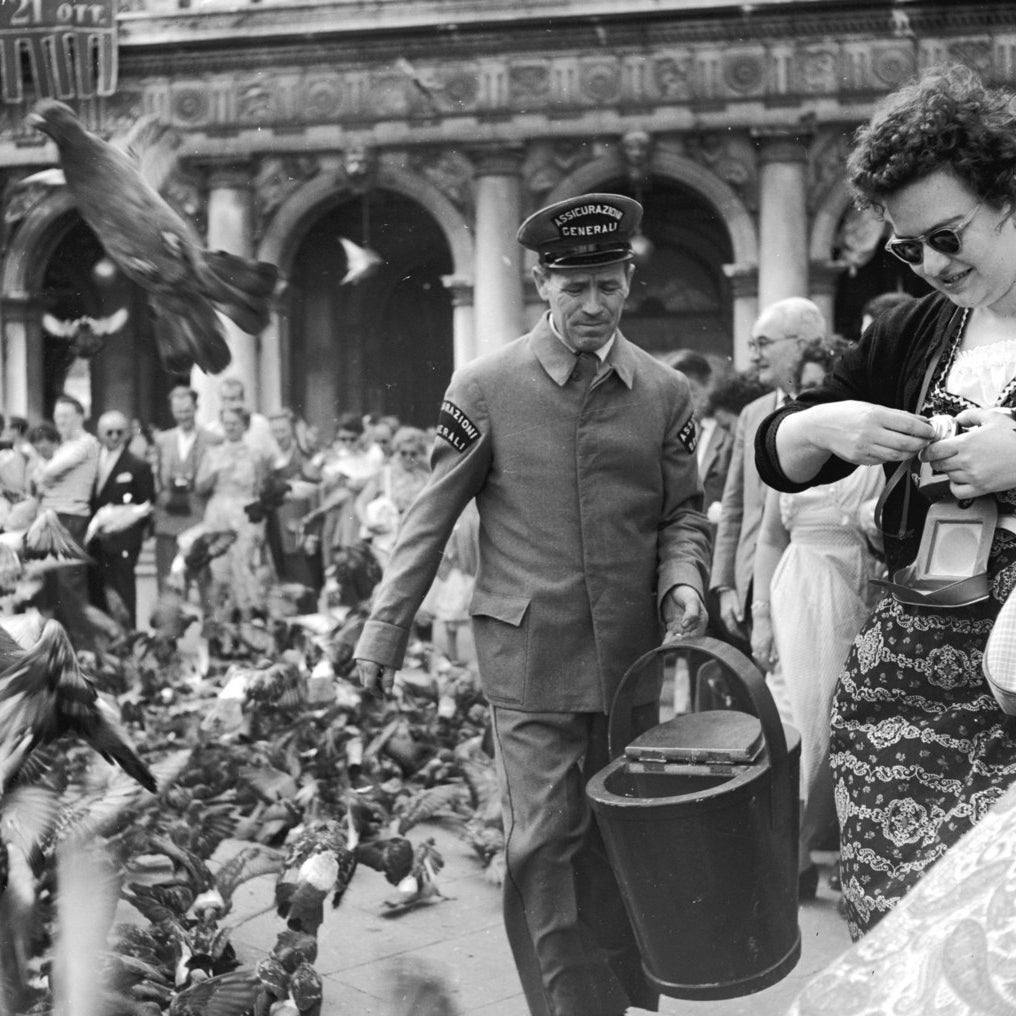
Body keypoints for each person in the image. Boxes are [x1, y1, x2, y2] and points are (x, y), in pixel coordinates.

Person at [354, 192, 711, 1016]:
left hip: (631, 662)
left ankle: (623, 998)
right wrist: (382, 635)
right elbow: (428, 519)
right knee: (546, 840)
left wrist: (682, 583)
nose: (592, 306)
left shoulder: (663, 393)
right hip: (530, 656)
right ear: (542, 283)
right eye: (574, 286)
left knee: (623, 836)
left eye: (610, 287)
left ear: (628, 282)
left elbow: (682, 514)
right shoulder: (484, 387)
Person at [754, 65, 1016, 939]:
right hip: (912, 691)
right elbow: (777, 454)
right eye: (909, 249)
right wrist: (829, 420)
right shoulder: (909, 329)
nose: (934, 265)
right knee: (915, 942)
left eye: (948, 235)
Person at [750, 343, 885, 900]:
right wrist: (760, 614)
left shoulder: (873, 454)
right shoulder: (791, 456)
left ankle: (837, 851)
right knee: (801, 717)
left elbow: (886, 534)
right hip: (798, 584)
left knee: (842, 717)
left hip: (855, 581)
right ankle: (801, 857)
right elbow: (768, 535)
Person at [710, 297, 827, 660]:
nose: (754, 355)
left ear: (802, 345)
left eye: (763, 344)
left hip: (813, 583)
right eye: (751, 345)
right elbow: (733, 505)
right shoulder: (753, 413)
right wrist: (725, 584)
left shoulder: (832, 408)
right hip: (750, 586)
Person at [195, 406, 274, 622]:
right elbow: (200, 486)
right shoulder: (213, 453)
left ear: (245, 426)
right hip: (219, 513)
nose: (230, 427)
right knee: (219, 571)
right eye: (226, 423)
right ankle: (218, 626)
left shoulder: (256, 455)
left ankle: (247, 624)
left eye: (235, 423)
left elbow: (261, 491)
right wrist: (215, 470)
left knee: (243, 569)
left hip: (245, 514)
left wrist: (260, 525)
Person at [34, 394, 99, 638]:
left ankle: (84, 646)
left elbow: (50, 470)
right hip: (51, 518)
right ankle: (59, 644)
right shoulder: (65, 445)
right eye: (57, 415)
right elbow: (41, 477)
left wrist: (46, 475)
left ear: (80, 416)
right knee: (50, 586)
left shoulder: (87, 443)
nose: (59, 420)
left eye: (65, 415)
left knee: (69, 584)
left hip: (71, 518)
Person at [89, 409, 156, 627]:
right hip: (96, 542)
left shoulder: (138, 466)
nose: (115, 437)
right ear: (100, 434)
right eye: (109, 432)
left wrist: (126, 528)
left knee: (124, 593)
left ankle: (129, 642)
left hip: (124, 540)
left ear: (127, 434)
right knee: (98, 594)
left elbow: (147, 504)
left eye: (120, 432)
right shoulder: (91, 463)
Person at [152, 386, 221, 590]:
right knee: (167, 575)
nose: (183, 416)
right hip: (168, 514)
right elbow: (158, 477)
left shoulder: (213, 439)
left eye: (187, 410)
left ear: (196, 408)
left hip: (198, 514)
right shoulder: (163, 440)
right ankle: (169, 619)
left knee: (200, 574)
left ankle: (207, 620)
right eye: (178, 411)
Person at [265, 408, 321, 602]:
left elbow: (315, 490)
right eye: (274, 431)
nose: (278, 436)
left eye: (282, 431)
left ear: (292, 430)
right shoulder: (267, 457)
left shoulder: (303, 456)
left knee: (302, 573)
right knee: (279, 573)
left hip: (297, 522)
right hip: (273, 521)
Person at [354, 425, 430, 565]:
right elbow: (361, 502)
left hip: (415, 540)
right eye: (403, 453)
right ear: (397, 451)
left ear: (420, 454)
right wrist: (368, 523)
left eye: (413, 454)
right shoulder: (385, 474)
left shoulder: (426, 479)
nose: (408, 457)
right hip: (386, 542)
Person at [211, 376, 280, 461]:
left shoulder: (260, 424)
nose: (228, 404)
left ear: (242, 399)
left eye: (233, 399)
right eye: (224, 399)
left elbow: (274, 458)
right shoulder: (212, 430)